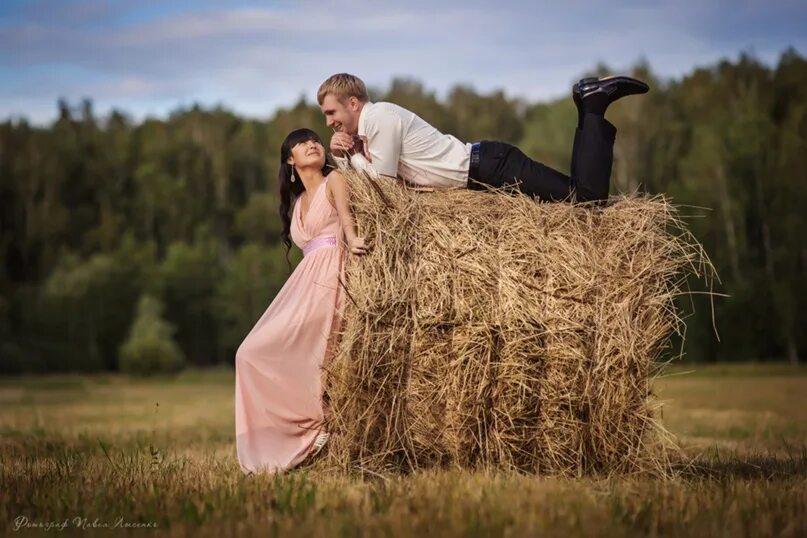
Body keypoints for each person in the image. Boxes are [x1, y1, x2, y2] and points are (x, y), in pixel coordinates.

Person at [234, 128, 368, 475]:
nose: (313, 144)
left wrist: (353, 240)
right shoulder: (295, 205)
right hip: (305, 285)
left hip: (333, 274)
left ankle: (316, 425)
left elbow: (347, 218)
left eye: (316, 141)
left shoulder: (334, 179)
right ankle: (276, 436)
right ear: (290, 160)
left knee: (318, 353)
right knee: (250, 353)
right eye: (302, 142)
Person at [317, 73, 649, 203]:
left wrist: (351, 156)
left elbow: (384, 186)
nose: (330, 122)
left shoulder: (380, 117)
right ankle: (589, 104)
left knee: (587, 201)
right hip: (486, 172)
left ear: (354, 103)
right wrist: (344, 155)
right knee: (581, 196)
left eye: (332, 113)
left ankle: (593, 103)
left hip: (493, 166)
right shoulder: (368, 127)